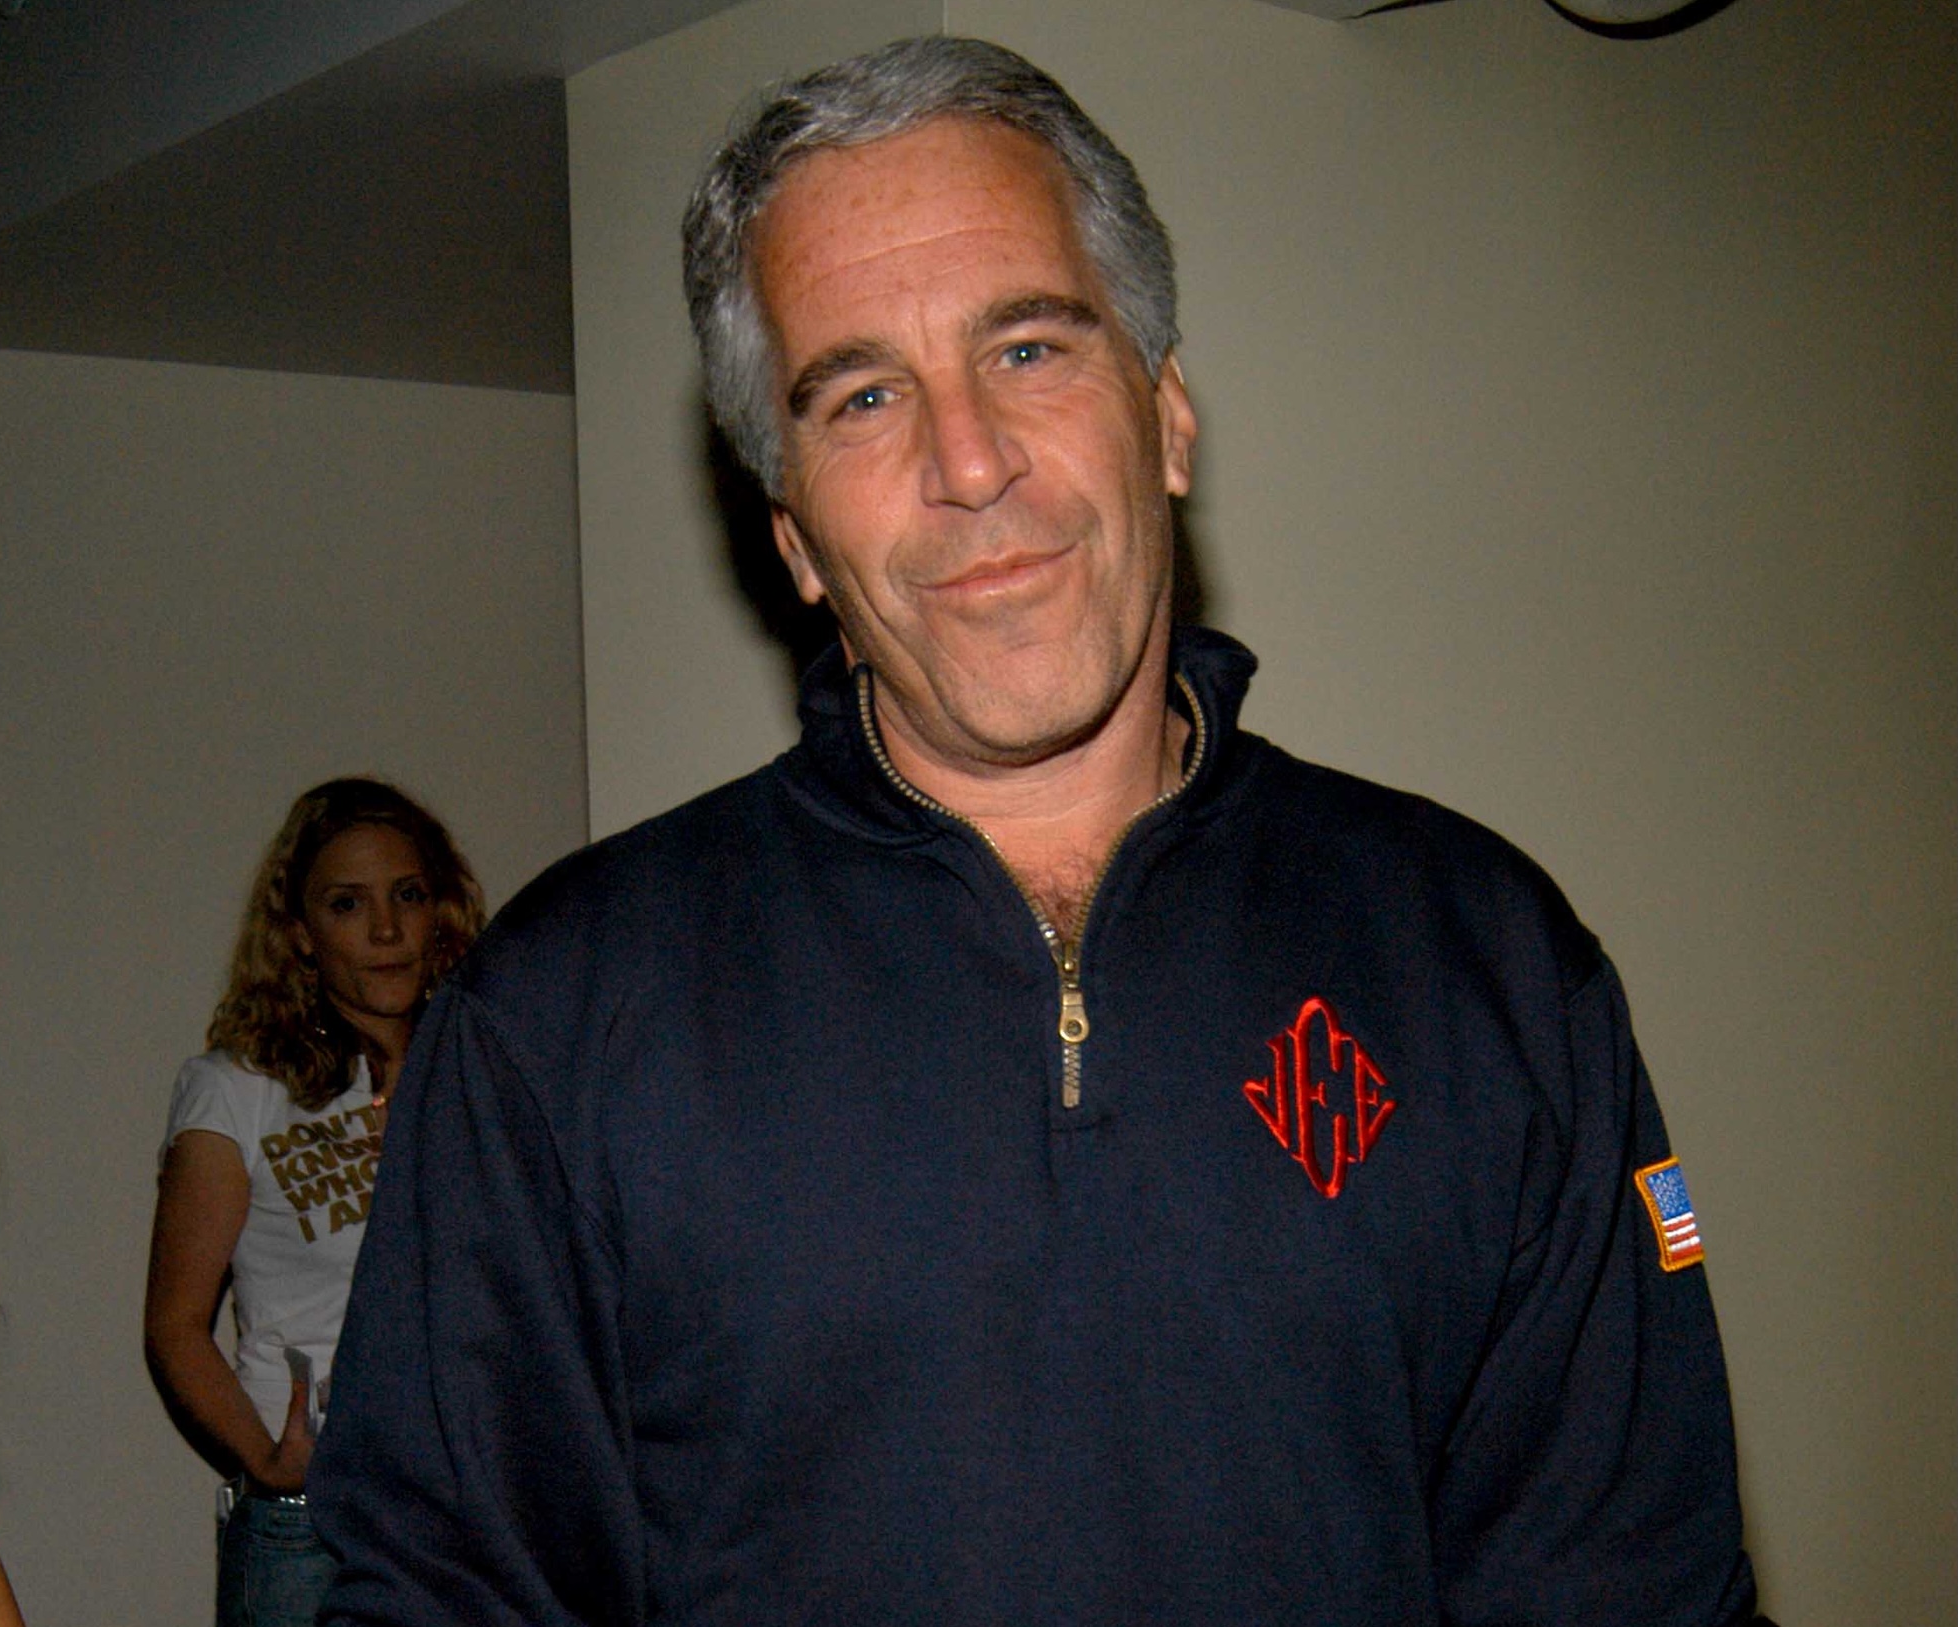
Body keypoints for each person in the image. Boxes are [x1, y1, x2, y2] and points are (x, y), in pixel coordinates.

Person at [312, 37, 1767, 1627]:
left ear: (1168, 418)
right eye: (864, 396)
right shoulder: (555, 1021)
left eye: (1026, 348)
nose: (968, 462)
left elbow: (1635, 1584)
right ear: (796, 537)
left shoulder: (1483, 957)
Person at [144, 778, 484, 1627]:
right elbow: (176, 1324)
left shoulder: (482, 1073)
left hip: (473, 1514)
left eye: (408, 895)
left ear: (441, 910)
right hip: (312, 1525)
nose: (386, 930)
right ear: (299, 931)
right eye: (347, 903)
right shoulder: (237, 1089)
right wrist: (268, 1460)